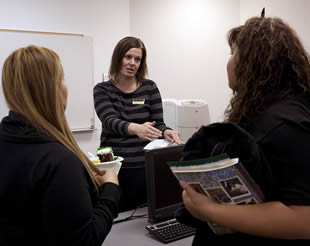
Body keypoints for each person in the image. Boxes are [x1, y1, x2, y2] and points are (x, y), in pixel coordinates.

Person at [178, 15, 310, 242]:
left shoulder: (285, 125)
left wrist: (207, 210)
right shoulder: (268, 110)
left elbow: (303, 218)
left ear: (251, 61)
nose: (229, 62)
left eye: (233, 53)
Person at [0, 45, 120, 246]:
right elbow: (85, 240)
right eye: (62, 78)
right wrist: (110, 190)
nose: (66, 86)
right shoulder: (59, 162)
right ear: (50, 89)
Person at [93, 36, 183, 212]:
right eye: (128, 57)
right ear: (118, 58)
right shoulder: (102, 89)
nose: (132, 63)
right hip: (113, 167)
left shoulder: (149, 88)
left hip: (144, 166)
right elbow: (110, 121)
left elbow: (159, 124)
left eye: (137, 59)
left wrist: (166, 132)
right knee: (114, 216)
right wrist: (136, 128)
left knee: (141, 216)